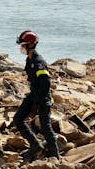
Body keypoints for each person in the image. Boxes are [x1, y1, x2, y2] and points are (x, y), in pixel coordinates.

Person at [13, 30, 60, 161]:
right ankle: (36, 146)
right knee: (18, 119)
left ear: (31, 45)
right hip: (33, 95)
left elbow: (45, 85)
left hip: (42, 98)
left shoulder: (39, 62)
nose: (21, 47)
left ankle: (55, 155)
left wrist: (38, 103)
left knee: (46, 127)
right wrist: (33, 100)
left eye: (23, 45)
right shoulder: (29, 59)